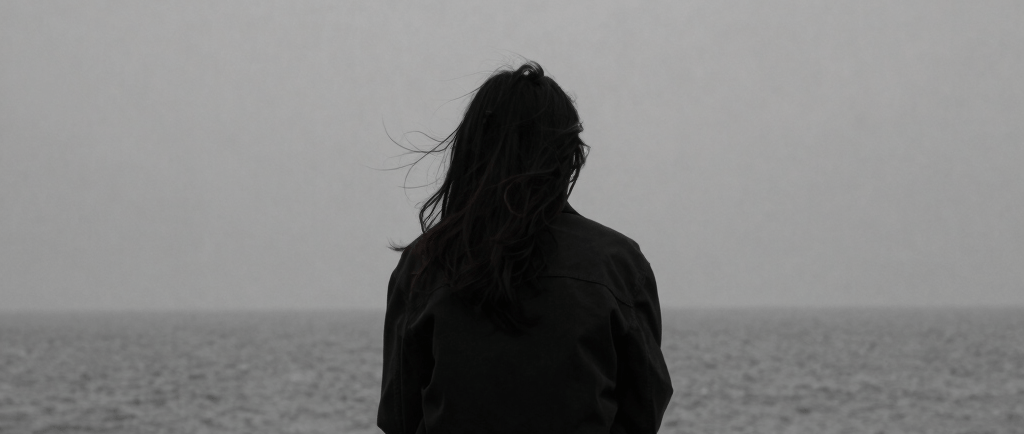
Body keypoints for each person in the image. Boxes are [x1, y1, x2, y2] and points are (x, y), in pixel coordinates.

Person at [378, 61, 672, 433]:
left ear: (471, 151)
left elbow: (399, 416)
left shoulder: (422, 264)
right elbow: (642, 412)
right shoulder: (618, 262)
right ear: (567, 156)